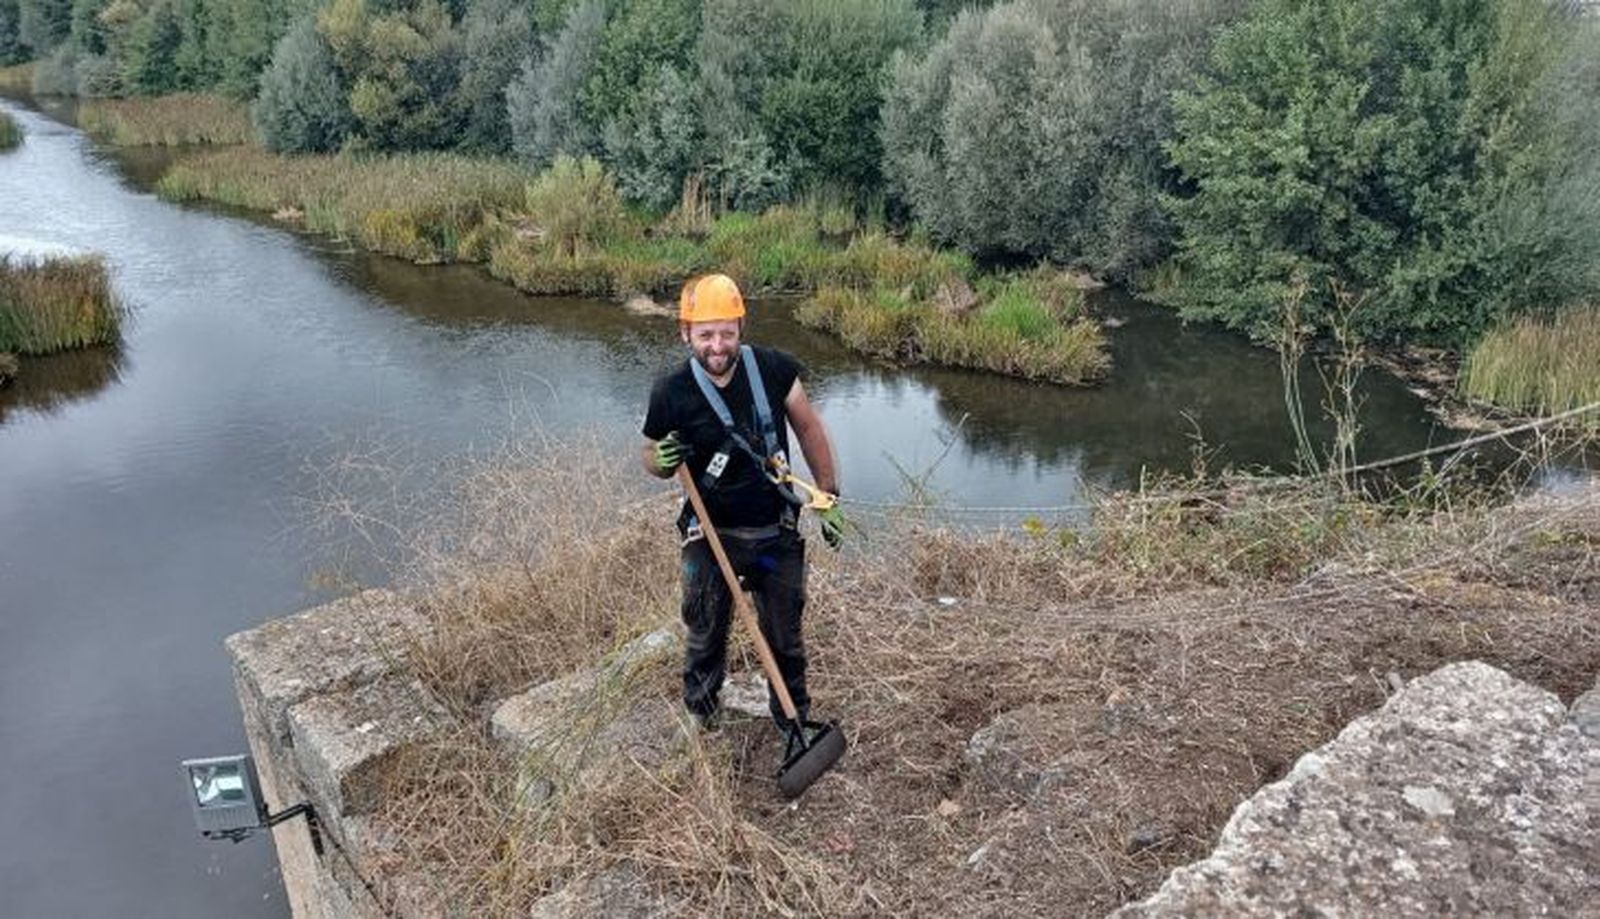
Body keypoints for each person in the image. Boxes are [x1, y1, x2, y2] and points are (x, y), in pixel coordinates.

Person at [641, 273, 847, 744]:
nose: (718, 346)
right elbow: (650, 452)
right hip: (710, 539)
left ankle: (793, 723)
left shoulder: (776, 370)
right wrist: (660, 461)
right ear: (685, 333)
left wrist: (827, 495)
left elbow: (810, 430)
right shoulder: (670, 390)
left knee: (784, 637)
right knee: (705, 631)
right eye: (706, 334)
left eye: (727, 333)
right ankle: (702, 717)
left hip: (774, 540)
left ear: (741, 328)